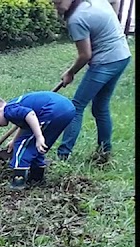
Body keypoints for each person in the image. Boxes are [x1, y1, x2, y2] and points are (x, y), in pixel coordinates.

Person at [53, 0, 132, 162]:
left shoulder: (76, 19)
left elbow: (85, 55)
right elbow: (115, 1)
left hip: (106, 62)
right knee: (100, 107)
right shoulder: (93, 1)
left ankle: (63, 156)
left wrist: (70, 72)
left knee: (76, 106)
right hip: (122, 55)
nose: (57, 6)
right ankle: (105, 151)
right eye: (54, 3)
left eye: (58, 2)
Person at [0, 91, 76, 188]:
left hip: (53, 110)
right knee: (35, 147)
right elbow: (24, 125)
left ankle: (18, 182)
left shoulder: (8, 110)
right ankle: (36, 178)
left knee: (23, 146)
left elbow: (30, 114)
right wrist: (14, 140)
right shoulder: (14, 106)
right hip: (67, 109)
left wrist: (39, 136)